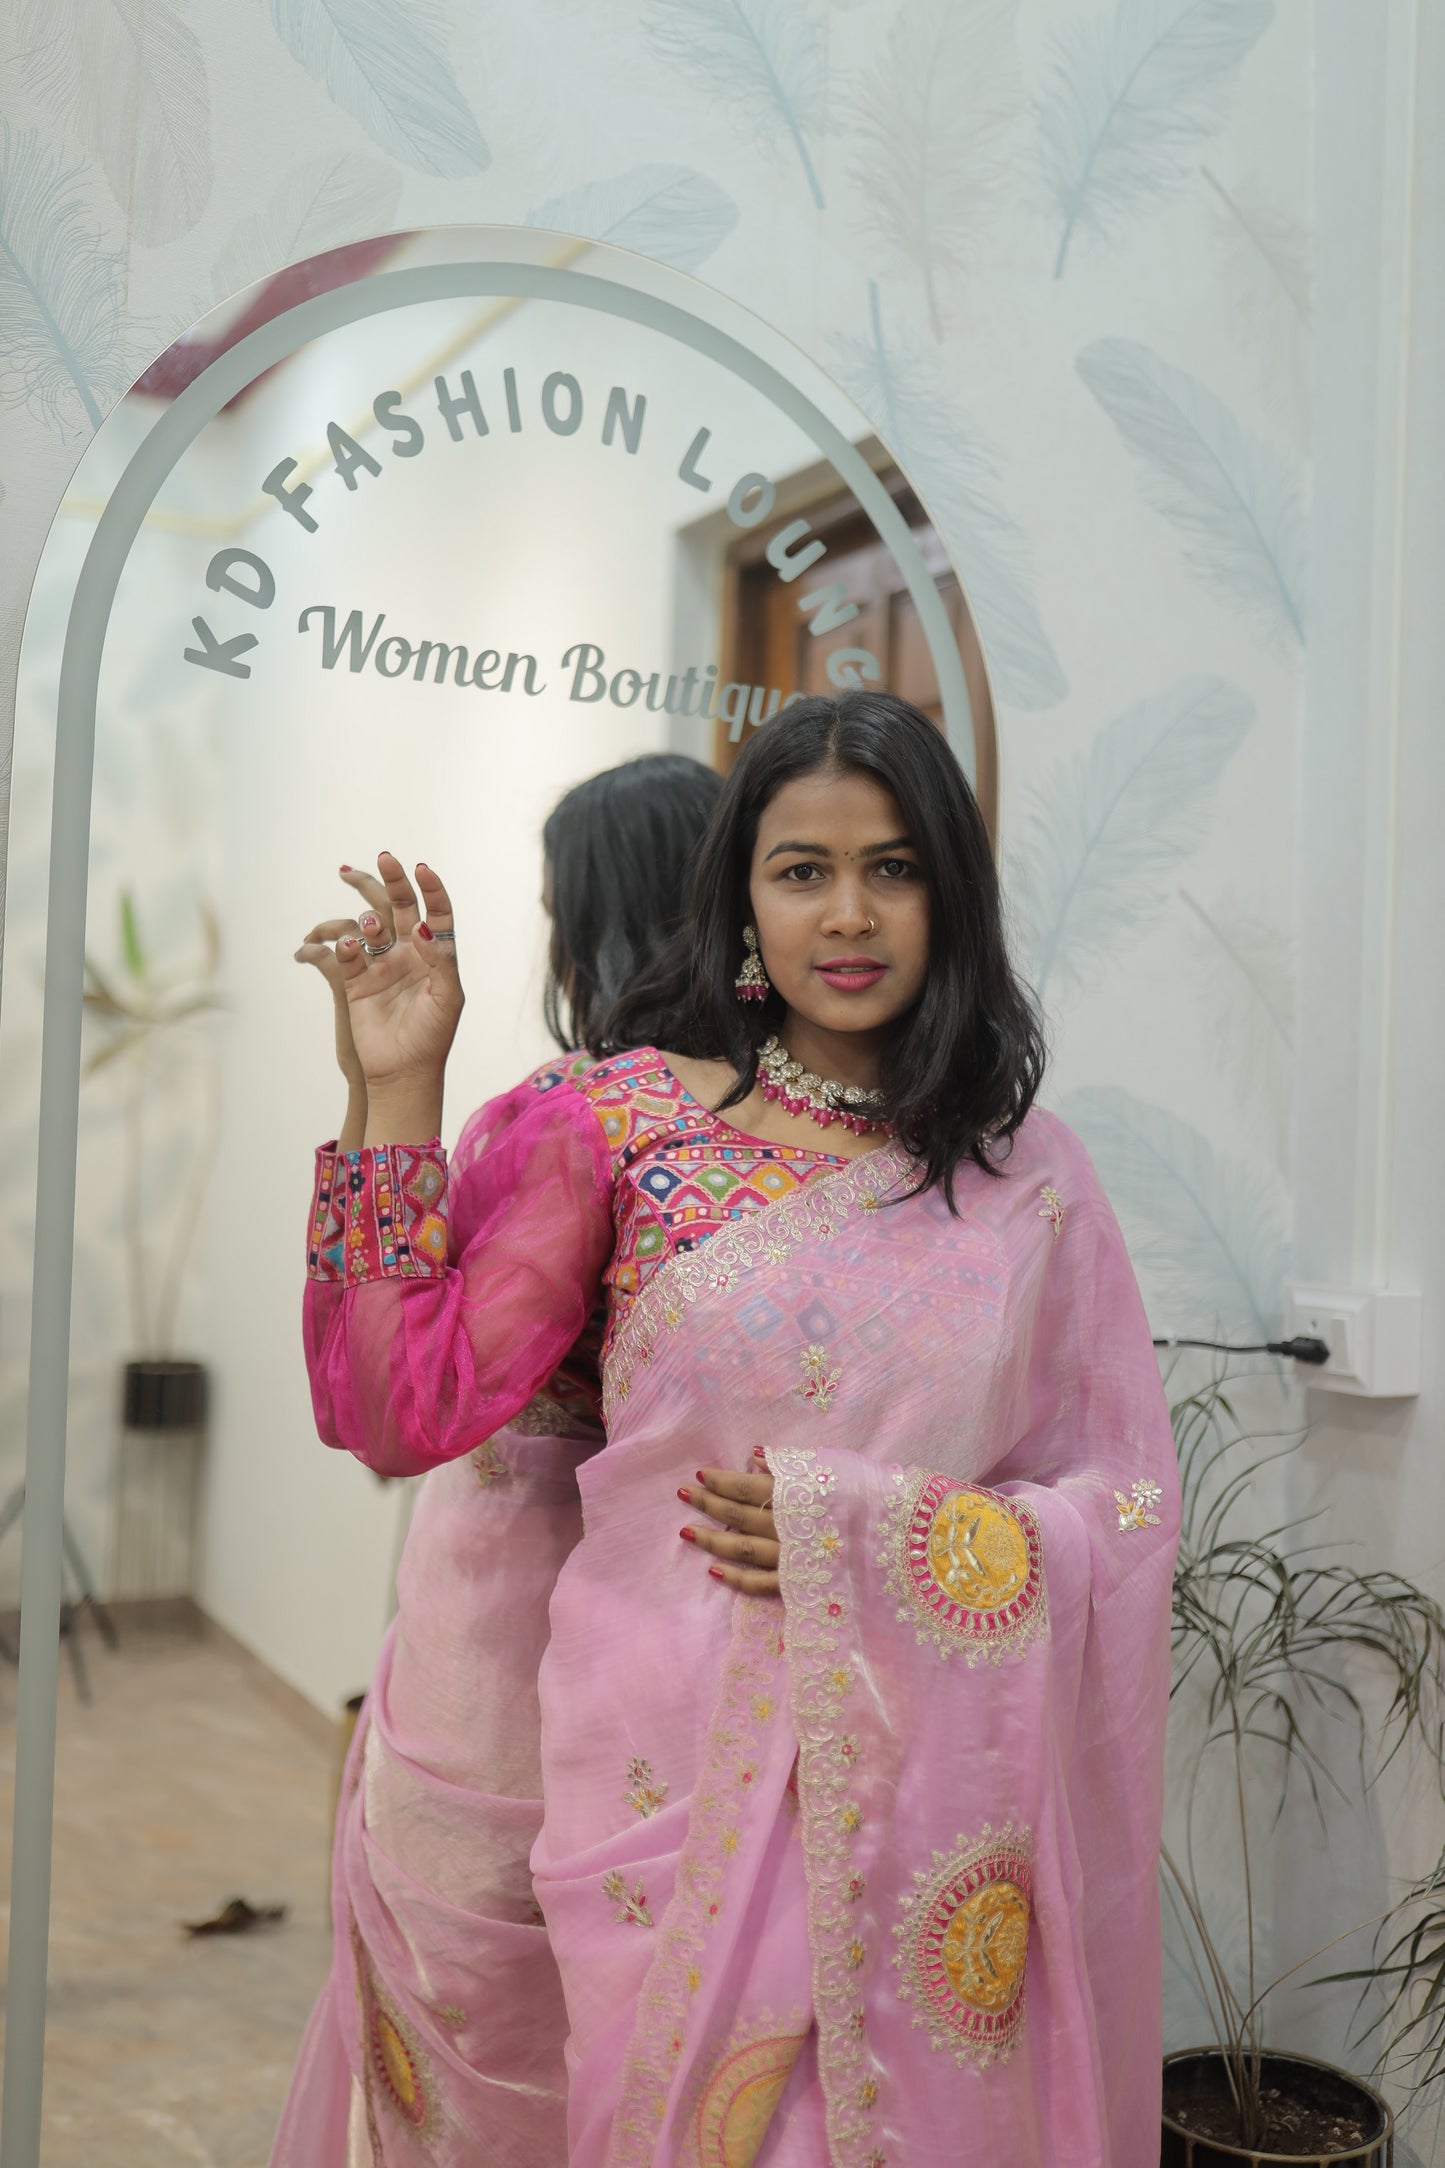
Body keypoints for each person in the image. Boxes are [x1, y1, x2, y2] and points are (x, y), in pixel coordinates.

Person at [297, 692, 1180, 2167]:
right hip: (649, 1770)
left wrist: (886, 1536)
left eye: (894, 869)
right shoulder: (631, 1129)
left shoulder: (1030, 1180)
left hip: (910, 1802)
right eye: (800, 870)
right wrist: (398, 1085)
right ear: (741, 900)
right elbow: (396, 1411)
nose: (848, 914)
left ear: (951, 896)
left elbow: (1125, 1503)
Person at [271, 753, 722, 2168]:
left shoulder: (577, 1120)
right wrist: (373, 1096)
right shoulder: (796, 1137)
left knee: (475, 2088)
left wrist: (394, 1099)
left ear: (604, 918)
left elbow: (388, 1411)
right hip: (694, 1670)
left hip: (510, 1673)